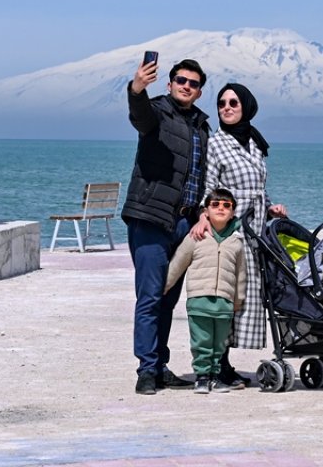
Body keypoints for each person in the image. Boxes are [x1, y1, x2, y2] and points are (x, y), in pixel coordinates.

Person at [189, 83, 287, 389]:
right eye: (221, 103)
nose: (227, 107)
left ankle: (223, 363)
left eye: (233, 102)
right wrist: (204, 218)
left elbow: (258, 186)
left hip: (255, 230)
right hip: (229, 230)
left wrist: (271, 207)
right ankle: (218, 365)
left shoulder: (255, 143)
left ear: (246, 106)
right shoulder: (216, 143)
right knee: (226, 296)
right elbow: (209, 186)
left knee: (243, 298)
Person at [124, 57, 210, 395]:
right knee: (149, 297)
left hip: (183, 223)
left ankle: (159, 365)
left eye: (193, 83)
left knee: (168, 299)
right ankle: (146, 370)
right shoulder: (157, 111)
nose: (186, 86)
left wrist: (203, 212)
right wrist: (136, 89)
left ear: (199, 91)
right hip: (150, 219)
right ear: (169, 83)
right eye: (180, 80)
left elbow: (200, 176)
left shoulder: (202, 126)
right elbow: (140, 117)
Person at [166, 189, 247, 395]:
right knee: (201, 341)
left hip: (224, 304)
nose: (221, 208)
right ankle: (202, 377)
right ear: (206, 211)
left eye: (226, 205)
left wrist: (238, 300)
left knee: (219, 343)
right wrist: (163, 287)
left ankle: (215, 376)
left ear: (233, 212)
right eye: (216, 204)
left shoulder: (236, 242)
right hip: (199, 301)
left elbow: (241, 274)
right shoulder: (195, 237)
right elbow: (177, 263)